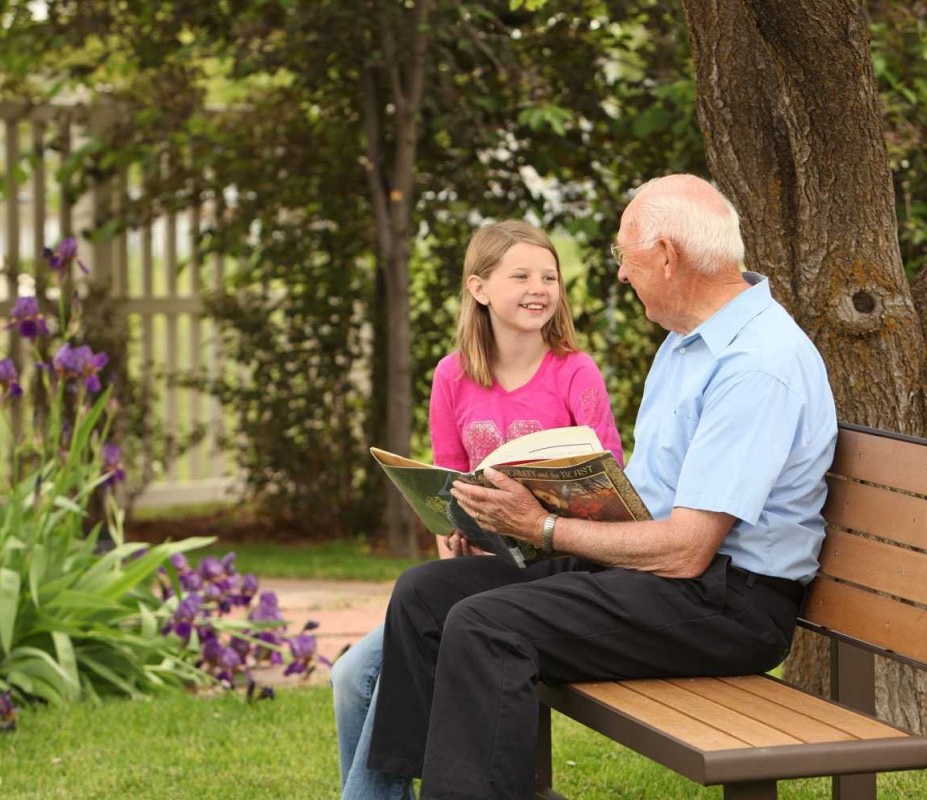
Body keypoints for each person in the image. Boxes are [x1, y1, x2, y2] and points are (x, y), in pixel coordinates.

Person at [365, 174, 838, 800]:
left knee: (486, 625)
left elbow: (689, 549)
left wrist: (542, 528)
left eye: (625, 255)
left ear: (667, 256)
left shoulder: (755, 366)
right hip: (664, 578)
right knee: (427, 594)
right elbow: (650, 506)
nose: (620, 273)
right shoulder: (686, 344)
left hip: (726, 603)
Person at [331, 219, 624, 800]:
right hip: (482, 568)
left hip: (557, 568)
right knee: (350, 676)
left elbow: (609, 486)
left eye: (549, 276)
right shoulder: (452, 376)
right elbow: (446, 489)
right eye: (521, 275)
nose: (540, 287)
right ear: (479, 287)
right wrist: (452, 534)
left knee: (380, 663)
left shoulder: (575, 371)